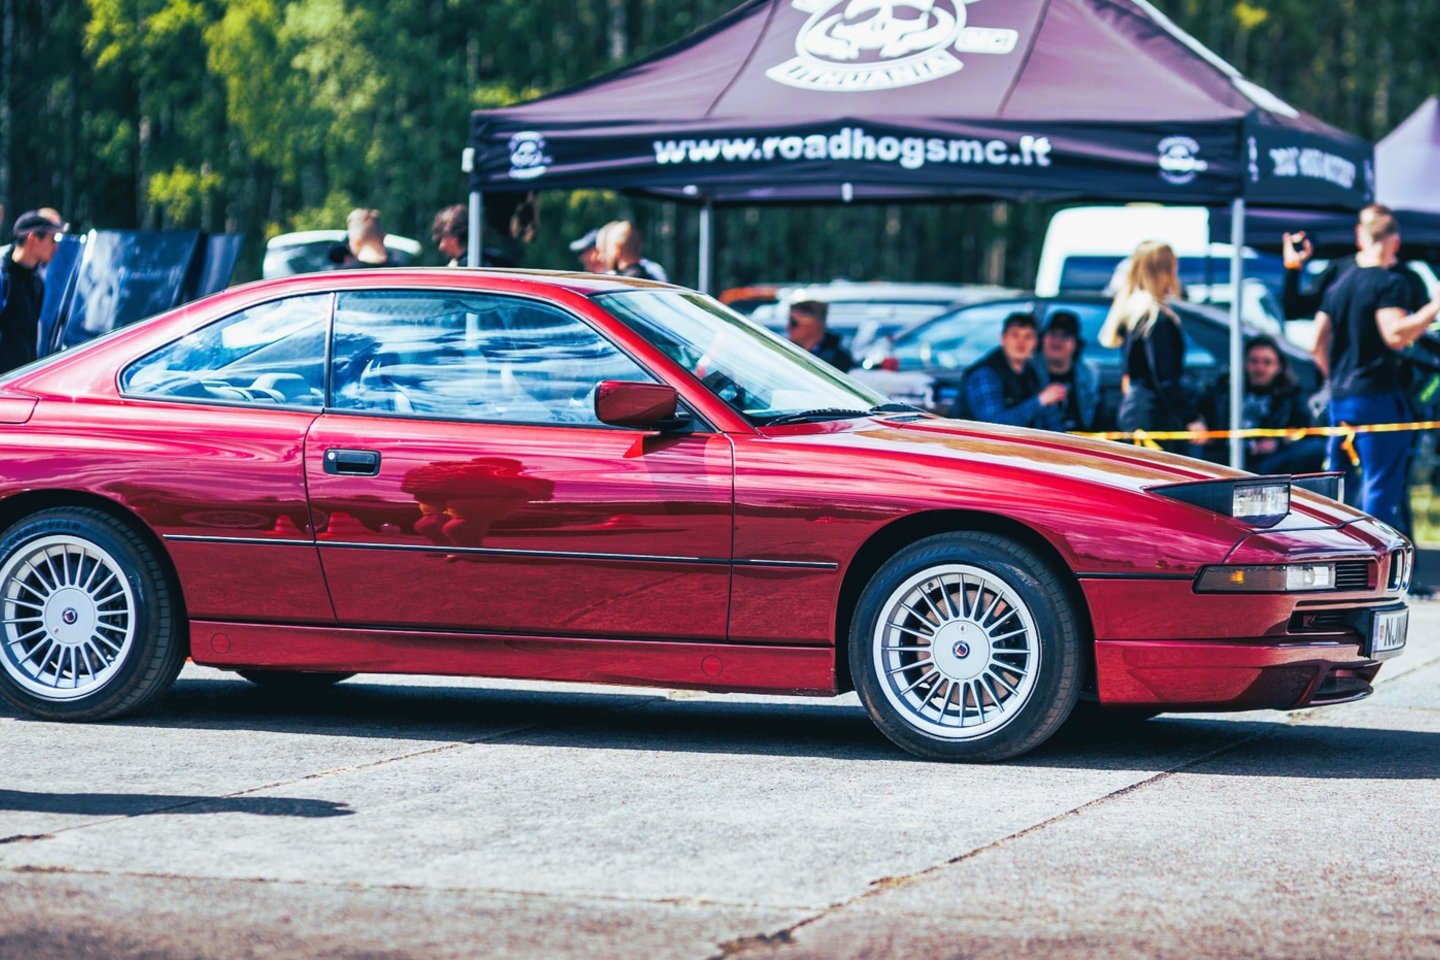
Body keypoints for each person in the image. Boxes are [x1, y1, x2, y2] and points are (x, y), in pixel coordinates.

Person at [1312, 211, 1440, 530]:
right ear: (1394, 242)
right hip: (1376, 398)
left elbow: (1316, 342)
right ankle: (1376, 571)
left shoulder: (1339, 284)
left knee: (1336, 488)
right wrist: (1434, 306)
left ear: (1363, 239)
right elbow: (1395, 334)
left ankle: (1336, 561)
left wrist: (1334, 378)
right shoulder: (1389, 282)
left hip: (1340, 398)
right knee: (1380, 487)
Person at [1100, 240, 1204, 448]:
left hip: (1137, 412)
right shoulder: (1155, 317)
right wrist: (1191, 418)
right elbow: (1164, 376)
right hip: (1153, 418)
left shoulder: (1134, 310)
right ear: (1164, 270)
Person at [1200, 336, 1323, 474]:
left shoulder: (1291, 395)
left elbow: (1302, 429)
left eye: (1267, 362)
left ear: (1279, 366)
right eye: (1254, 361)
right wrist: (1199, 424)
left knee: (1315, 449)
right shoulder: (1224, 389)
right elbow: (1199, 410)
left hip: (1268, 462)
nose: (1260, 368)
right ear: (1244, 363)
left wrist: (1277, 442)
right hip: (1223, 458)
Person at [1282, 204, 1429, 319]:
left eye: (1382, 229)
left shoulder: (1409, 279)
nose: (1376, 234)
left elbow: (1432, 325)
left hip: (1395, 357)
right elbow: (1294, 311)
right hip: (1344, 358)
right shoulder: (1339, 271)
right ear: (1359, 232)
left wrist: (1428, 323)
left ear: (1394, 237)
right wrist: (1293, 266)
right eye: (1371, 227)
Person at [956, 312, 1067, 428]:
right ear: (1003, 338)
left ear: (1036, 342)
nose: (1021, 342)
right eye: (1015, 335)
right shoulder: (985, 374)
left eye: (1028, 336)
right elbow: (992, 426)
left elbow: (1048, 419)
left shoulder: (1031, 372)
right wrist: (1040, 401)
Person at [0, 212, 62, 373]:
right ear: (33, 238)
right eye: (52, 239)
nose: (56, 247)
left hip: (22, 382)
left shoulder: (37, 282)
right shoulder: (3, 277)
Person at [1037, 310, 1101, 432]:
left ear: (1076, 344)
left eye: (1065, 336)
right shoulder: (1028, 373)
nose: (1057, 341)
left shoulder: (1089, 375)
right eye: (1053, 334)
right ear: (1042, 340)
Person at [786, 299, 852, 371]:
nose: (788, 326)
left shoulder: (840, 360)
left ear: (814, 326)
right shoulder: (785, 350)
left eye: (794, 323)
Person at [598, 220, 667, 282]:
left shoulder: (614, 283)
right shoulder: (655, 279)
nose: (605, 254)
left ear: (617, 248)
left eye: (609, 247)